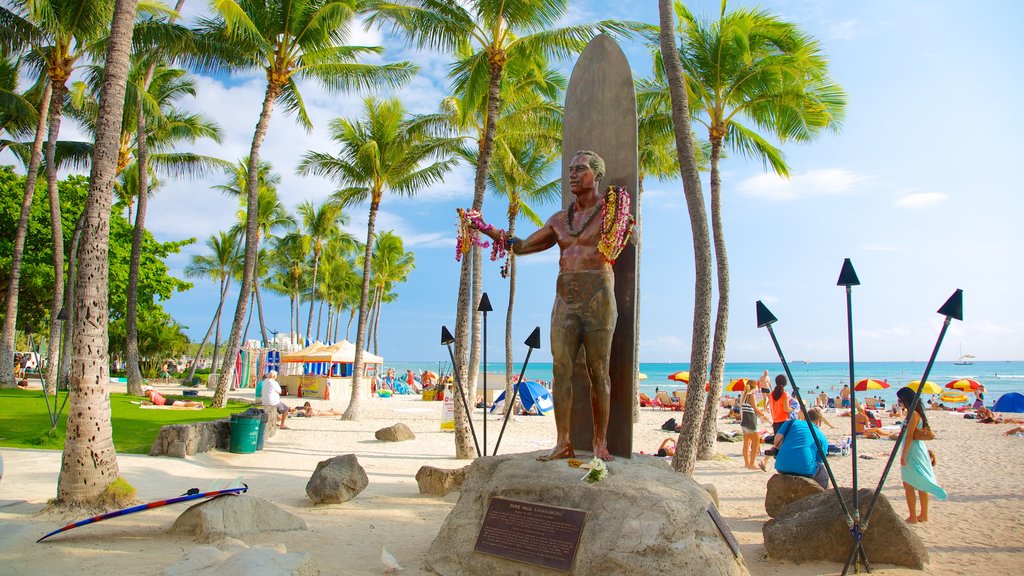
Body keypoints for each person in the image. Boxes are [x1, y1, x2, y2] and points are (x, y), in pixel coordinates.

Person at [472, 150, 631, 462]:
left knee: (599, 370)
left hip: (599, 296)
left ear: (596, 175)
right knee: (560, 370)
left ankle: (600, 444)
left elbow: (632, 238)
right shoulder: (560, 221)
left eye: (580, 169)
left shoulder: (611, 213)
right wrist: (486, 229)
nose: (572, 174)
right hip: (565, 298)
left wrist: (626, 225)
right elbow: (523, 246)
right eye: (570, 169)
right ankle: (563, 442)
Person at [896, 386, 947, 523]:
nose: (899, 402)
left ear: (906, 400)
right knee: (921, 483)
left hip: (913, 450)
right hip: (918, 449)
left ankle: (913, 516)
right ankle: (923, 515)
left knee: (908, 484)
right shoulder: (916, 413)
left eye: (900, 400)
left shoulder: (913, 414)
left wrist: (904, 454)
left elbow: (909, 436)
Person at [759, 407, 830, 489]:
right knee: (823, 475)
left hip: (782, 466)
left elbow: (776, 442)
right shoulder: (821, 436)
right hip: (805, 469)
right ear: (819, 422)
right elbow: (820, 460)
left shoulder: (791, 423)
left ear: (805, 417)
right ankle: (826, 497)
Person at [740, 381, 769, 469]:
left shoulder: (744, 396)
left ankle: (747, 463)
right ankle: (751, 464)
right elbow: (755, 409)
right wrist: (763, 415)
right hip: (751, 422)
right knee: (756, 443)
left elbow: (748, 408)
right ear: (754, 387)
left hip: (744, 422)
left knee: (746, 443)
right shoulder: (751, 396)